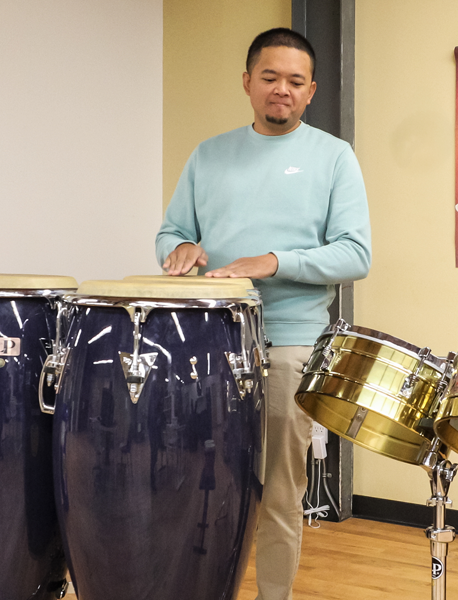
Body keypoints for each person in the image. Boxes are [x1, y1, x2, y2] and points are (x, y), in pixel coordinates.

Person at [155, 28, 371, 600]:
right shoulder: (209, 154)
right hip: (202, 345)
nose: (282, 90)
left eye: (295, 82)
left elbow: (356, 253)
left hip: (288, 346)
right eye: (270, 78)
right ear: (247, 82)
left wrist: (273, 262)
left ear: (311, 91)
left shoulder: (333, 157)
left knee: (278, 491)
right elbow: (172, 231)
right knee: (197, 485)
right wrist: (179, 250)